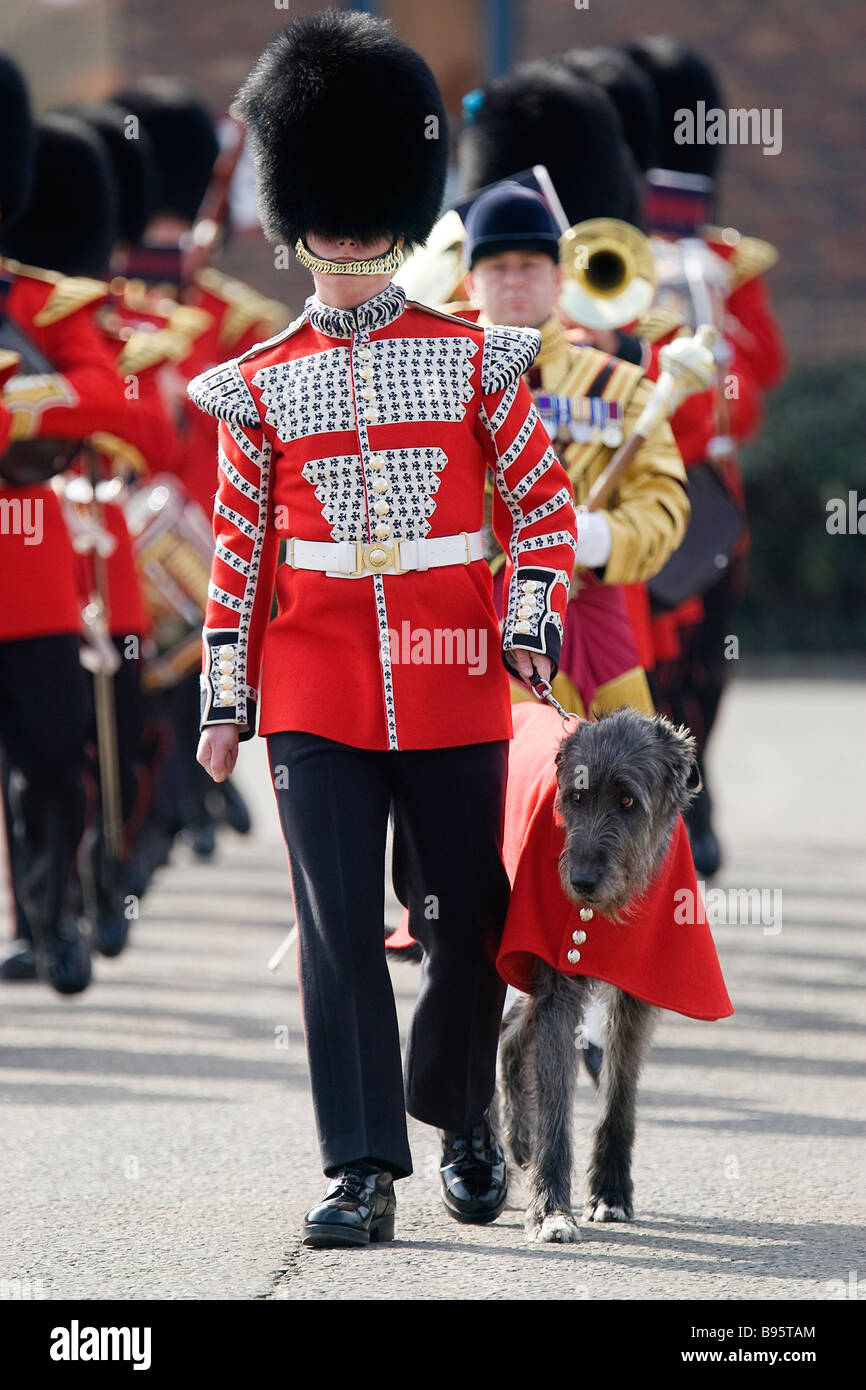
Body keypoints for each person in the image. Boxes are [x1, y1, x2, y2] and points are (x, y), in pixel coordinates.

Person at [190, 10, 577, 1247]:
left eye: (367, 221)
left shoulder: (475, 362)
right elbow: (238, 553)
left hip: (456, 671)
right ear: (295, 221)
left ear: (400, 221)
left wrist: (527, 619)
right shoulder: (256, 386)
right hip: (312, 686)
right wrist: (222, 696)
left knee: (464, 919)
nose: (349, 242)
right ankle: (361, 1165)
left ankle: (459, 1115)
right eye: (329, 219)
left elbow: (544, 509)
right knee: (335, 929)